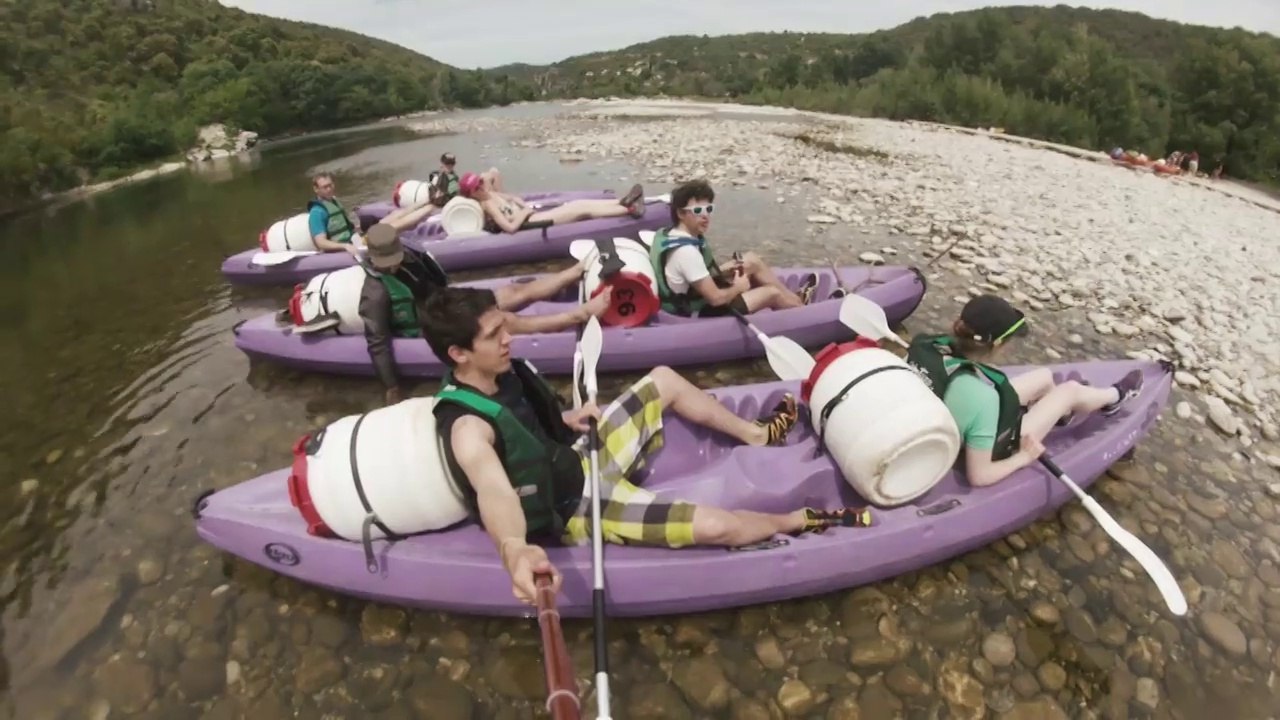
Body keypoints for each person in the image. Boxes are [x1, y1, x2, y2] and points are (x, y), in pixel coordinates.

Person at [419, 286, 872, 604]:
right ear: (458, 353)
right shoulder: (466, 427)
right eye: (494, 334)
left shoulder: (500, 369)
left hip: (578, 456)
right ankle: (799, 519)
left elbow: (528, 426)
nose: (508, 338)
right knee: (716, 528)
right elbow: (493, 488)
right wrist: (514, 549)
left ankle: (755, 433)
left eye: (504, 326)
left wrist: (566, 417)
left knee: (663, 379)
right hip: (578, 505)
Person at [297, 224, 612, 406]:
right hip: (429, 325)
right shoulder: (375, 293)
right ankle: (581, 314)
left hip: (445, 302)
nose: (394, 262)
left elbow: (437, 284)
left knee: (516, 291)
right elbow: (377, 341)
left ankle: (576, 269)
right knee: (506, 322)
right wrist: (391, 387)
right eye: (388, 261)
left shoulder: (410, 255)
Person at [905, 295, 1144, 488]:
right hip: (984, 439)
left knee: (1044, 377)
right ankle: (1115, 397)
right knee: (1069, 390)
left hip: (947, 413)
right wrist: (1025, 457)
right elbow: (980, 476)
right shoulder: (983, 396)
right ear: (997, 343)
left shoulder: (923, 345)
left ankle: (1062, 415)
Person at [648, 179, 816, 318]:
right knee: (772, 293)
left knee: (751, 260)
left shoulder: (671, 234)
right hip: (696, 311)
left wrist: (726, 270)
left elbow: (691, 276)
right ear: (681, 213)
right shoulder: (685, 253)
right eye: (697, 210)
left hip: (694, 293)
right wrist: (739, 287)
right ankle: (806, 314)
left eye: (709, 209)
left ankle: (795, 301)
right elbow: (715, 299)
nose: (705, 215)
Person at [459, 172, 646, 234]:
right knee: (581, 210)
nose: (482, 186)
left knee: (579, 203)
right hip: (530, 221)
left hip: (531, 215)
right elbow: (510, 228)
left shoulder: (489, 194)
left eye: (480, 183)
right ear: (472, 194)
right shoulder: (488, 205)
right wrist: (524, 212)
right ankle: (628, 209)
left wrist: (514, 199)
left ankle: (622, 202)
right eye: (477, 187)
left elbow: (490, 173)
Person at [308, 172, 440, 256]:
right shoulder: (317, 212)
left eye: (330, 185)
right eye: (325, 187)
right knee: (388, 228)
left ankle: (430, 200)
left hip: (355, 239)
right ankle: (433, 206)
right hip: (347, 247)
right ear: (316, 189)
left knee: (393, 216)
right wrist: (345, 246)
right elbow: (321, 243)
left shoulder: (334, 202)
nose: (329, 189)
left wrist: (358, 229)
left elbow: (345, 228)